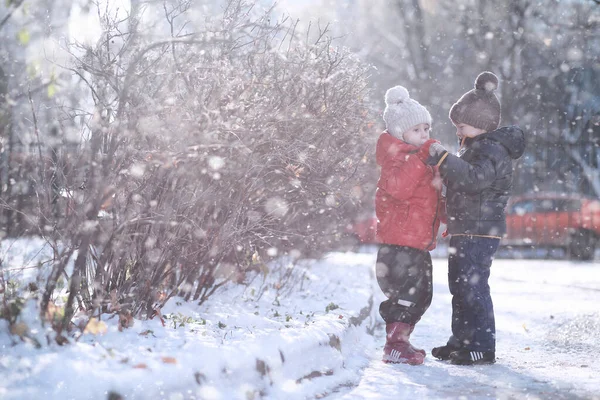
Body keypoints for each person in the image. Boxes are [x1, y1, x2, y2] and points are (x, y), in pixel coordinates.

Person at [416, 71, 525, 365]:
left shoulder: (492, 150)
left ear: (479, 124)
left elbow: (474, 180)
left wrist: (444, 159)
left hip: (480, 231)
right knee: (461, 286)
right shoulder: (476, 148)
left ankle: (481, 346)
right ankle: (461, 340)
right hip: (466, 228)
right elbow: (463, 183)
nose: (458, 131)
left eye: (461, 125)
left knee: (474, 287)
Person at [375, 85, 445, 365]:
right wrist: (421, 158)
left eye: (426, 129)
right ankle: (393, 345)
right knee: (406, 295)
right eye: (417, 130)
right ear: (398, 133)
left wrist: (447, 220)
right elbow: (399, 188)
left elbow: (434, 196)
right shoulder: (395, 159)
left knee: (422, 295)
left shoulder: (421, 159)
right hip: (399, 244)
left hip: (417, 242)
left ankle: (400, 340)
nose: (424, 135)